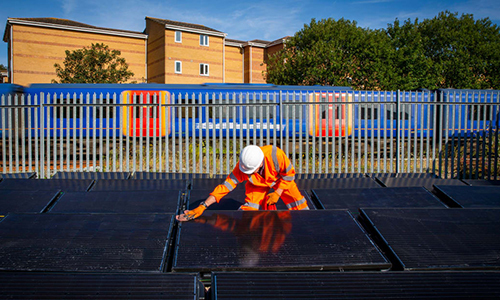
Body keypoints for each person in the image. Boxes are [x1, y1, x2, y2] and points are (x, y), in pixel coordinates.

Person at [176, 144, 309, 222]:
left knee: (299, 205)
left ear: (260, 163)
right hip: (257, 185)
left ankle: (308, 224)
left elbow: (290, 174)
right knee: (248, 212)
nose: (249, 173)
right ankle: (251, 232)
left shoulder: (275, 155)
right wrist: (203, 206)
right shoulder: (244, 166)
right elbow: (226, 186)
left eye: (252, 171)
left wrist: (278, 192)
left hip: (282, 182)